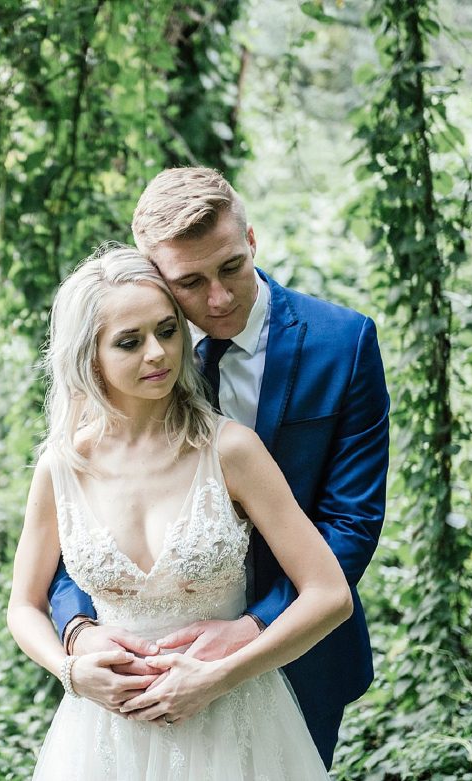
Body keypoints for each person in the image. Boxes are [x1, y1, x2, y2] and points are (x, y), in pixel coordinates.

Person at [48, 167, 390, 768]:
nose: (219, 298)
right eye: (190, 282)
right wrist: (79, 629)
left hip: (299, 647)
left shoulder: (344, 343)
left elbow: (350, 522)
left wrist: (254, 627)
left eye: (232, 266)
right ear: (156, 276)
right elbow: (80, 515)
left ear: (251, 240)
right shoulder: (131, 352)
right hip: (137, 670)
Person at [8, 245, 353, 779]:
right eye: (130, 341)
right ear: (88, 356)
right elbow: (24, 606)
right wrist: (71, 671)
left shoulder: (230, 450)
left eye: (168, 331)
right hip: (106, 734)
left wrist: (220, 677)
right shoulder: (62, 467)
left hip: (235, 719)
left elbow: (330, 596)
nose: (158, 354)